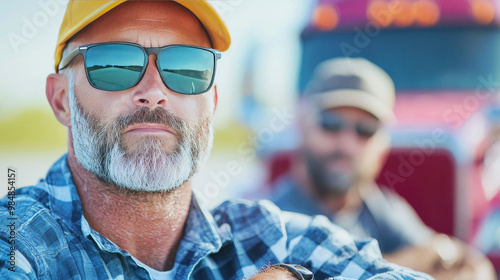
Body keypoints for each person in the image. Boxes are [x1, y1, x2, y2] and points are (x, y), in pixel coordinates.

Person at [0, 1, 432, 279]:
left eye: (187, 68)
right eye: (114, 63)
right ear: (60, 100)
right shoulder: (17, 242)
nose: (155, 89)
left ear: (213, 102)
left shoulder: (271, 239)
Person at [267, 57, 496, 279]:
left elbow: (466, 263)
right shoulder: (273, 222)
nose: (346, 144)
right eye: (331, 124)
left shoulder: (378, 207)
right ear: (302, 127)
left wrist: (440, 254)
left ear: (383, 144)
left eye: (365, 130)